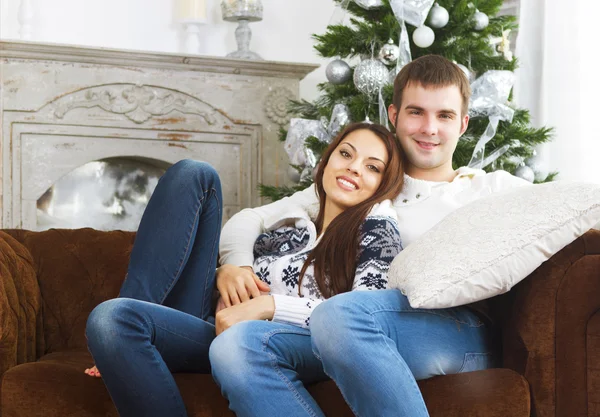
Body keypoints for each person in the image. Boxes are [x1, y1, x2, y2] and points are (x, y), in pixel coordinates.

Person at [217, 54, 532, 416]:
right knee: (237, 345)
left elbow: (571, 211)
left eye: (444, 115)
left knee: (341, 316)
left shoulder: (488, 188)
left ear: (462, 124)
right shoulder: (364, 182)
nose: (429, 128)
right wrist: (235, 266)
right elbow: (249, 219)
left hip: (454, 328)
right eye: (416, 112)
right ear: (395, 116)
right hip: (353, 328)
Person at [84, 122, 405, 417]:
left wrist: (267, 306)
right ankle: (136, 307)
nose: (353, 167)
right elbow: (242, 231)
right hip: (213, 325)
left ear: (384, 185)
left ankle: (128, 339)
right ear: (326, 161)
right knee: (194, 175)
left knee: (112, 322)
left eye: (372, 167)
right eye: (346, 154)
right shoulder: (293, 223)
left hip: (282, 341)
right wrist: (228, 270)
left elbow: (362, 319)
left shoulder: (377, 228)